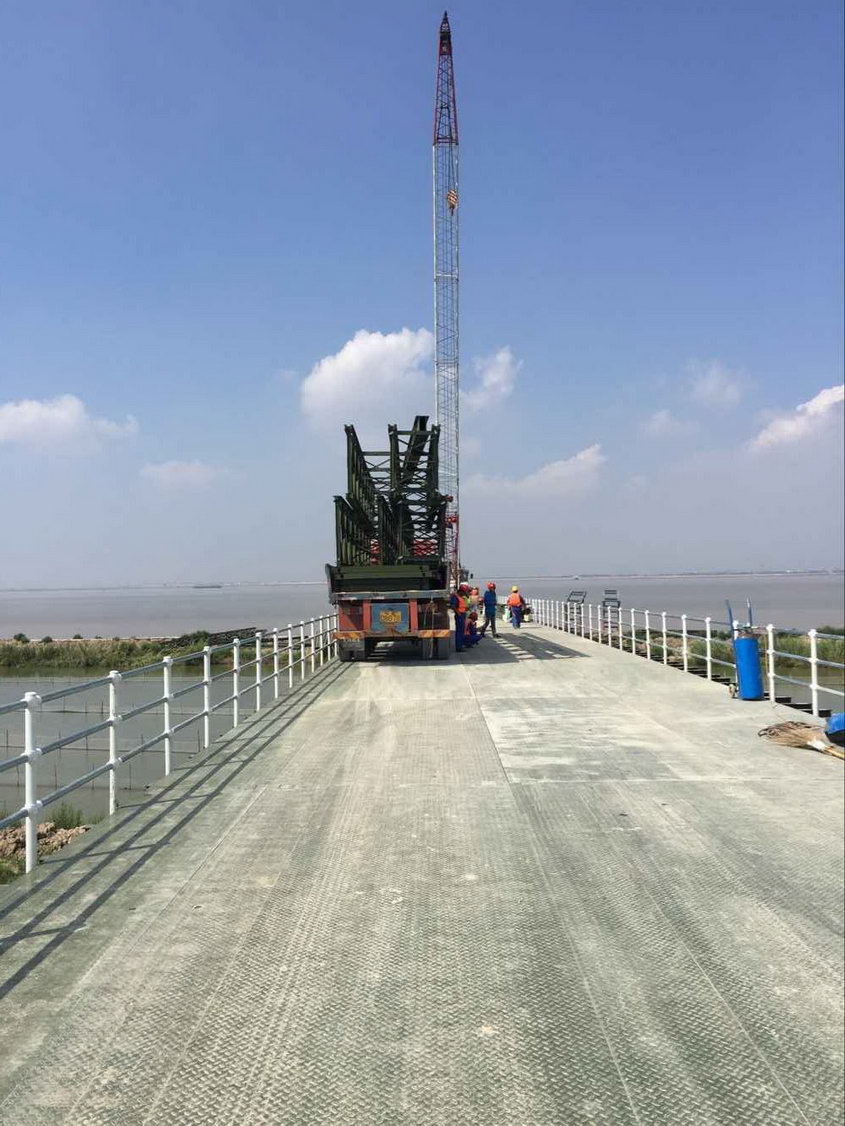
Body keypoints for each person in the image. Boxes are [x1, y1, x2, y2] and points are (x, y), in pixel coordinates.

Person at [449, 584, 469, 651]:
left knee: (462, 631)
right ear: (461, 591)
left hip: (462, 615)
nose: (464, 594)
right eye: (464, 592)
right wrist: (459, 614)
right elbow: (453, 606)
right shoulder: (455, 597)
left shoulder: (461, 596)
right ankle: (458, 647)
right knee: (459, 632)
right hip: (460, 616)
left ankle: (460, 645)